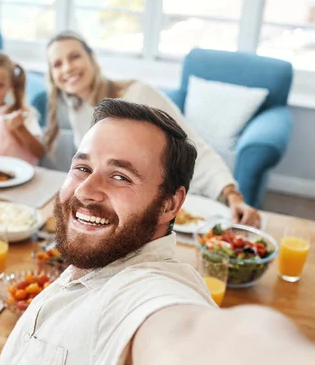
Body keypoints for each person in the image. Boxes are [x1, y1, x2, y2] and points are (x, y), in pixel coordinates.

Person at [0, 99, 315, 365]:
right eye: (82, 168)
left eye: (120, 176)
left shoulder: (147, 294)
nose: (87, 191)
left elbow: (196, 343)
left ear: (170, 204)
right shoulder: (90, 268)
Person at [44, 31, 260, 227]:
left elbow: (194, 148)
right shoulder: (77, 106)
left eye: (74, 57)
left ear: (91, 58)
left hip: (183, 205)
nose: (67, 68)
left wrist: (233, 196)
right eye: (57, 64)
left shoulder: (139, 95)